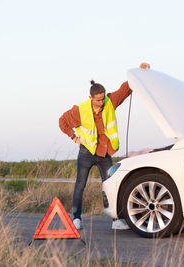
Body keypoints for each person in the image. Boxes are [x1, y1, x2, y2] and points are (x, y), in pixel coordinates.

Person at [59, 63, 150, 230]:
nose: (102, 102)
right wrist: (74, 137)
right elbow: (62, 121)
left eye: (103, 99)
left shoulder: (110, 101)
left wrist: (139, 72)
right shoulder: (80, 110)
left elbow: (125, 89)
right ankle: (76, 218)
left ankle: (115, 221)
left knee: (110, 186)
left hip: (104, 153)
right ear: (91, 98)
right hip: (86, 152)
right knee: (80, 184)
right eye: (98, 100)